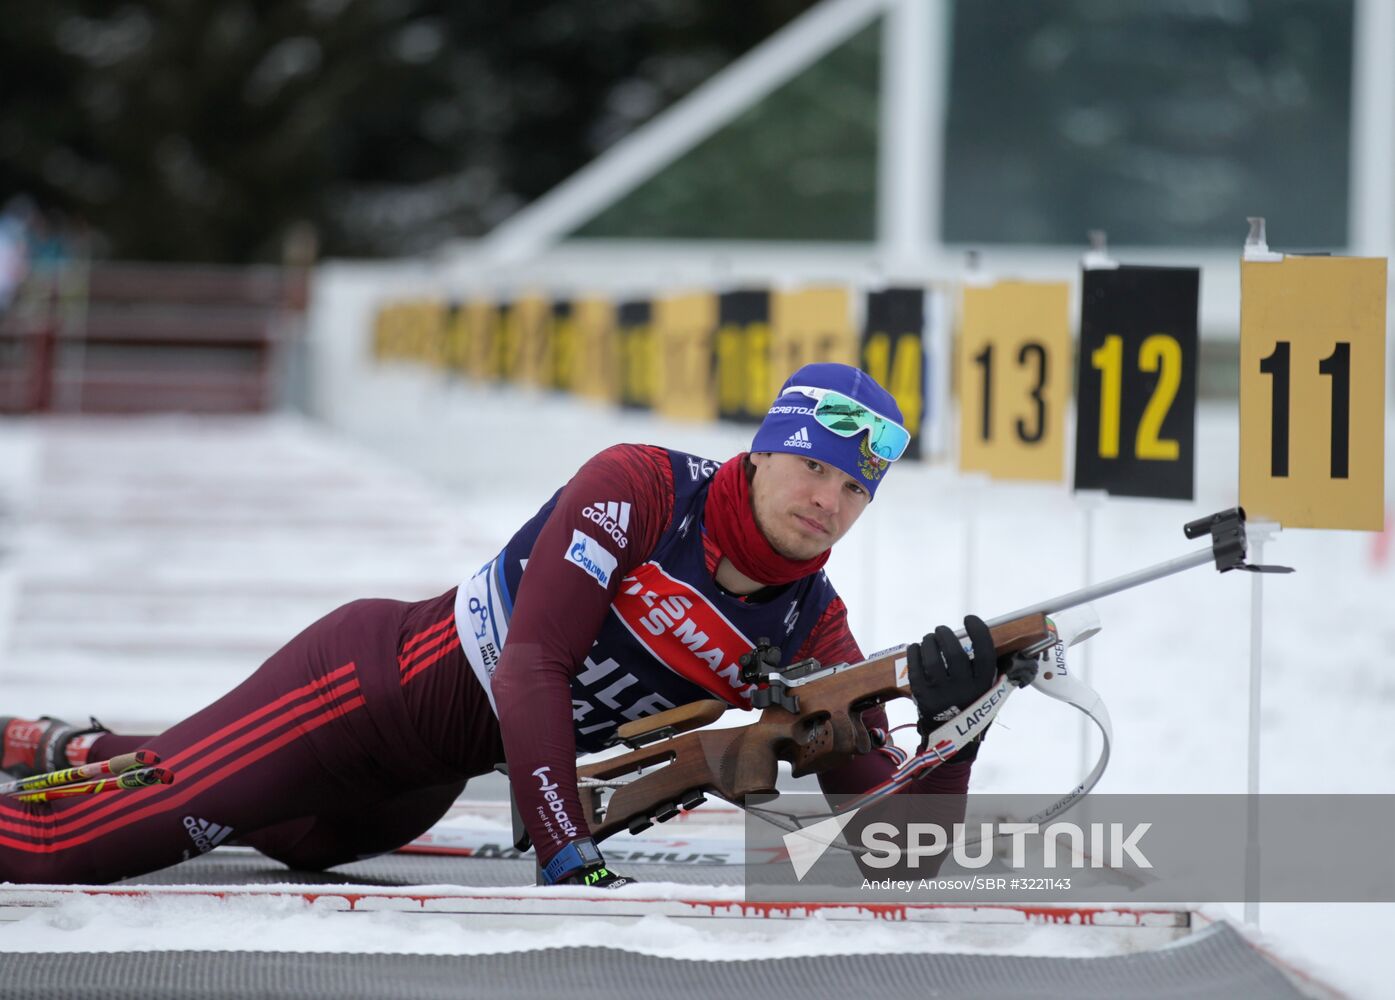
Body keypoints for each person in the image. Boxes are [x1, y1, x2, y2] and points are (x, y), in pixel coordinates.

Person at [0, 363, 1001, 887]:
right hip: (350, 695)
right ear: (765, 450)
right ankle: (71, 773)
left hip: (410, 790)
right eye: (812, 466)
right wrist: (569, 850)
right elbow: (533, 667)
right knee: (67, 845)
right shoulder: (643, 488)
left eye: (853, 486)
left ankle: (74, 748)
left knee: (226, 797)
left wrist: (953, 739)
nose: (825, 498)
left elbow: (885, 855)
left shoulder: (816, 631)